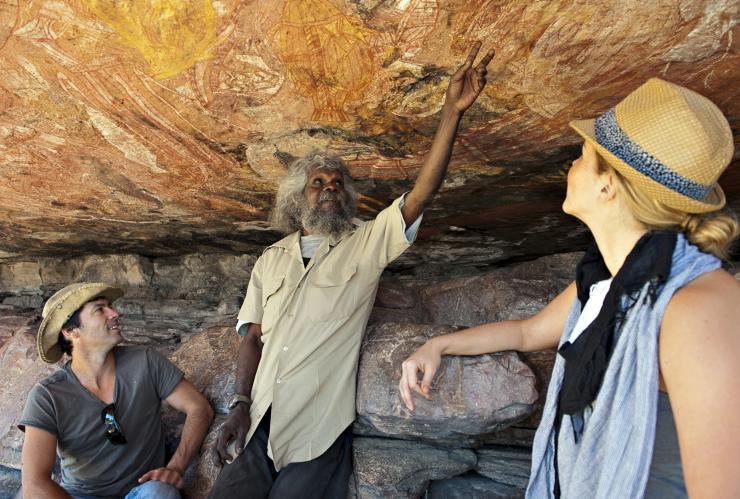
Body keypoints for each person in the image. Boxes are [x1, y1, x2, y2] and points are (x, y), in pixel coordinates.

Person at [399, 78, 740, 498]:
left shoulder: (697, 306)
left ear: (606, 185)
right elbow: (528, 332)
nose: (570, 168)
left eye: (581, 156)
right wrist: (438, 345)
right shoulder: (607, 282)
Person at [207, 42, 495, 498]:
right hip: (258, 418)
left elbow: (421, 193)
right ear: (296, 198)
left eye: (337, 183)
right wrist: (238, 405)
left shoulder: (364, 244)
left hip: (318, 429)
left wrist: (451, 114)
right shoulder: (270, 258)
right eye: (317, 183)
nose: (329, 189)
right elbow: (252, 337)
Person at [19, 282, 214, 499]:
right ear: (70, 331)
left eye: (110, 306)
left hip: (141, 492)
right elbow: (34, 485)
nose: (115, 313)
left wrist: (176, 467)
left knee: (160, 493)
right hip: (79, 497)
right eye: (100, 309)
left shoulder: (145, 362)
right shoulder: (48, 396)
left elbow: (199, 408)